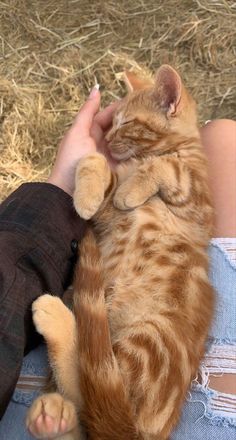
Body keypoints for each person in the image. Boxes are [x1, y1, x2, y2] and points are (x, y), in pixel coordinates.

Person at [0, 85, 235, 439]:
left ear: (171, 107)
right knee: (223, 135)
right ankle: (88, 389)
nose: (114, 137)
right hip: (145, 311)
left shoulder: (182, 159)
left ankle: (77, 380)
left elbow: (186, 208)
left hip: (46, 384)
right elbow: (112, 214)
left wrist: (147, 175)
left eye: (125, 125)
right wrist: (91, 178)